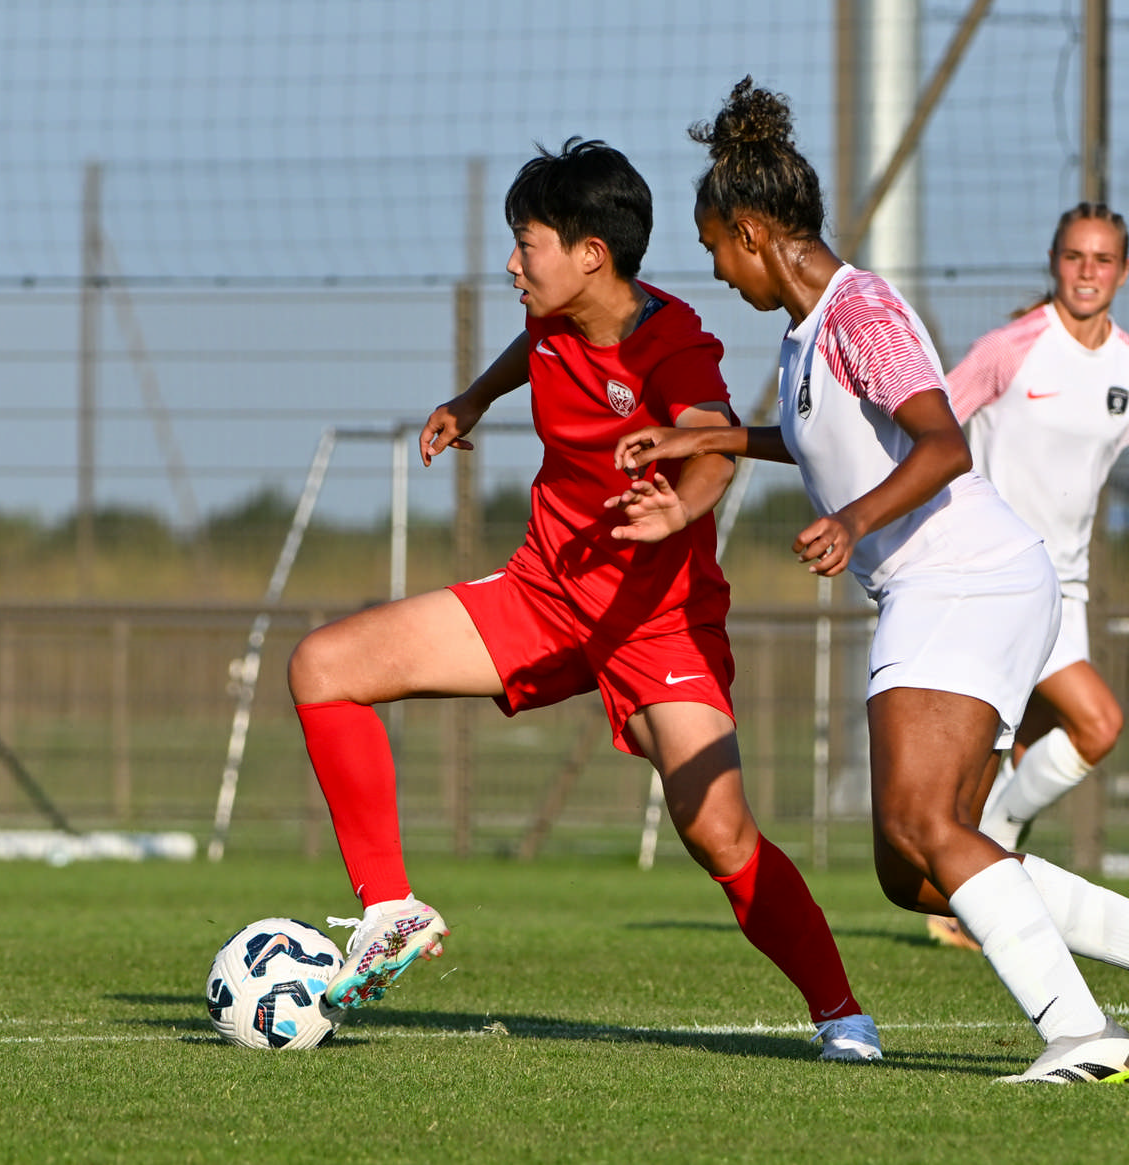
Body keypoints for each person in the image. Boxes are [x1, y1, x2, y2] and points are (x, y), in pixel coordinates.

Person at [615, 78, 1129, 1082]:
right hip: (942, 585)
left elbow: (943, 443)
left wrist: (850, 521)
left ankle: (1082, 1035)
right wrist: (726, 433)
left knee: (923, 826)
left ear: (749, 229)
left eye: (716, 251)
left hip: (966, 576)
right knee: (912, 869)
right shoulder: (810, 329)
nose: (720, 275)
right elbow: (842, 442)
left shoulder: (859, 310)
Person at [287, 137, 882, 1061]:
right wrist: (472, 401)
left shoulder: (674, 342)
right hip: (545, 597)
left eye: (527, 245)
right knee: (323, 665)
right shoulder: (553, 321)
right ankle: (390, 909)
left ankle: (842, 1012)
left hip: (658, 624)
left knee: (720, 834)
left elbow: (715, 442)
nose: (512, 264)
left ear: (590, 254)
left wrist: (677, 506)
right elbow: (530, 353)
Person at [943, 203, 1129, 865]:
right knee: (1096, 723)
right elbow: (933, 421)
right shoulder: (1010, 347)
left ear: (1124, 271)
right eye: (1075, 256)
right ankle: (986, 849)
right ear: (1054, 262)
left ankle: (972, 887)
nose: (1088, 271)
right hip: (994, 575)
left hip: (1066, 588)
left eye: (1102, 259)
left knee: (1031, 748)